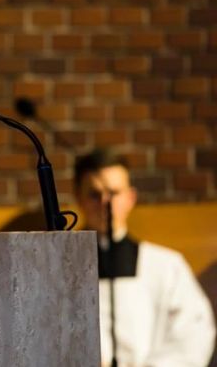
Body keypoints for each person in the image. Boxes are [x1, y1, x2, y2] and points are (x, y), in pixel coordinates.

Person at [74, 148, 215, 366]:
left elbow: (193, 334)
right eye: (95, 194)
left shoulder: (166, 266)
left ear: (130, 198)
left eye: (113, 193)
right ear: (78, 199)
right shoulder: (60, 270)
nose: (105, 203)